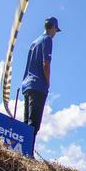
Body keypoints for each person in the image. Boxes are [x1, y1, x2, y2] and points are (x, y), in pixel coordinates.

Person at [21, 17, 61, 151]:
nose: (56, 33)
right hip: (38, 85)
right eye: (56, 29)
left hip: (27, 84)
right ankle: (28, 152)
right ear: (53, 27)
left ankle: (23, 149)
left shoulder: (34, 42)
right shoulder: (47, 39)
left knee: (26, 122)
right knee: (34, 123)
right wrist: (48, 82)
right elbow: (46, 64)